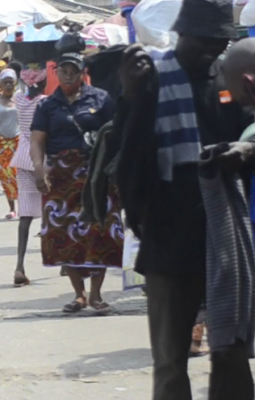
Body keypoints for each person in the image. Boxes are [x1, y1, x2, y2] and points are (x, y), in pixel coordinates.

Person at [118, 1, 255, 396]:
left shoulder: (230, 78)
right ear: (183, 33)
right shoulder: (150, 76)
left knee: (231, 350)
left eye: (219, 42)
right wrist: (132, 96)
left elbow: (251, 130)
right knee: (171, 358)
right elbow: (127, 158)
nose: (211, 50)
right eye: (204, 41)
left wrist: (246, 151)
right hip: (168, 229)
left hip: (226, 228)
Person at [30, 52, 122, 313]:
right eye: (64, 70)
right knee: (61, 232)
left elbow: (115, 134)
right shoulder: (47, 105)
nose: (69, 74)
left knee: (100, 229)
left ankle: (96, 294)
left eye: (74, 70)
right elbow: (37, 140)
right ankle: (78, 294)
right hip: (60, 175)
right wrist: (38, 168)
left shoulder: (101, 99)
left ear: (82, 72)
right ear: (56, 73)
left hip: (96, 173)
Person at [10, 63, 48, 287]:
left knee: (24, 215)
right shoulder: (45, 102)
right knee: (51, 210)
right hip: (42, 157)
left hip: (22, 155)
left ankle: (19, 266)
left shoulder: (19, 99)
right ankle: (61, 261)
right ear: (43, 81)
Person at [0, 69, 20, 220]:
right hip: (1, 143)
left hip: (18, 142)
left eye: (10, 83)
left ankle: (24, 206)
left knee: (21, 175)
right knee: (5, 176)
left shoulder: (20, 100)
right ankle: (12, 208)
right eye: (5, 82)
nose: (8, 85)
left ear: (15, 84)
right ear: (0, 84)